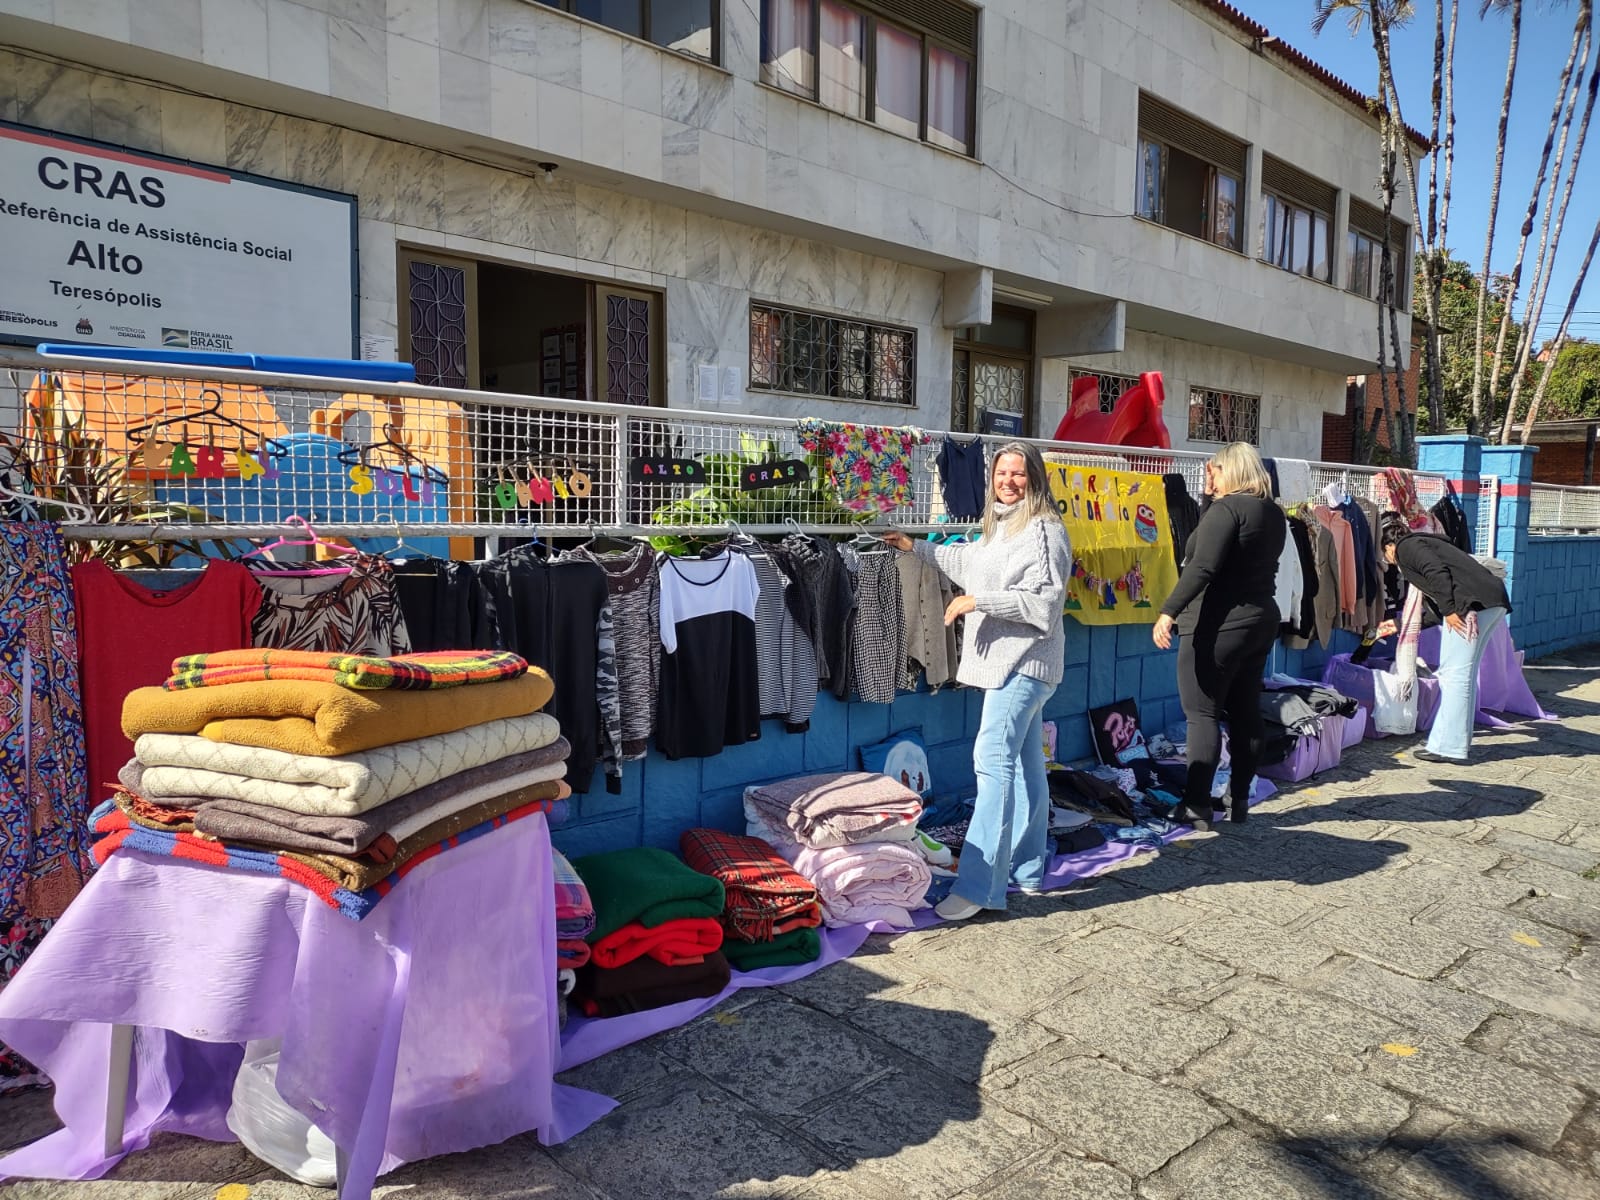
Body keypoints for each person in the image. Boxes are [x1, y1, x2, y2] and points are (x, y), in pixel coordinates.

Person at [883, 442, 1071, 921]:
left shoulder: (1045, 530)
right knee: (1026, 768)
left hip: (1023, 665)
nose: (1008, 481)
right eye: (1002, 473)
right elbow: (969, 562)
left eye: (1019, 473)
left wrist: (977, 602)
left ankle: (980, 887)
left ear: (1037, 478)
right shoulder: (1004, 525)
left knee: (992, 765)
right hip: (1016, 665)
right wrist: (915, 547)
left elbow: (1043, 606)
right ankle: (1028, 871)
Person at [1151, 443, 1285, 831]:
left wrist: (1168, 611)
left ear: (1230, 470)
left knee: (1202, 714)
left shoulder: (1228, 511)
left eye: (1215, 470)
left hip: (1218, 624)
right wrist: (1210, 497)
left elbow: (1202, 565)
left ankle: (1195, 805)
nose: (1209, 475)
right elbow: (1216, 545)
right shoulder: (1271, 512)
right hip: (1259, 619)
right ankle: (1239, 798)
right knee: (1245, 712)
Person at [1378, 517, 1511, 764]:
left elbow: (1436, 573)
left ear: (1388, 546)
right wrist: (1398, 625)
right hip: (1489, 603)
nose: (1388, 561)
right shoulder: (1425, 542)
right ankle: (1456, 742)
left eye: (1385, 555)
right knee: (1464, 676)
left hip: (1470, 609)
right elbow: (1436, 602)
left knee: (1454, 676)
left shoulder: (1407, 547)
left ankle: (1448, 747)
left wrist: (1450, 610)